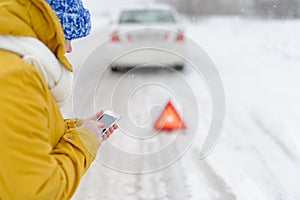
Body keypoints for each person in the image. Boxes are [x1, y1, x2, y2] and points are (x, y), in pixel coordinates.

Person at [0, 0, 117, 199]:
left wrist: (76, 128)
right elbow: (38, 192)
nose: (70, 48)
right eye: (69, 36)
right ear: (51, 29)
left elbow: (18, 135)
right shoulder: (15, 77)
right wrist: (84, 141)